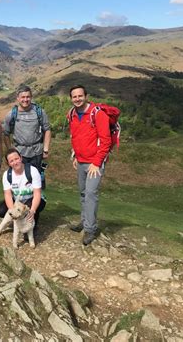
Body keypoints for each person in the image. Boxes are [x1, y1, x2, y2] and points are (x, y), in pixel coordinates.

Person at [67, 85, 112, 245]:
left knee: (91, 194)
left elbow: (106, 141)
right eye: (74, 96)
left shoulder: (97, 114)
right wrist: (75, 155)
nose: (77, 99)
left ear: (86, 96)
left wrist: (96, 163)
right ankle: (84, 222)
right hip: (80, 161)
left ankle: (90, 230)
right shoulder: (71, 114)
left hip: (94, 163)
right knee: (83, 193)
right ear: (71, 98)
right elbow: (75, 137)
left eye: (80, 96)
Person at [0, 148, 46, 240]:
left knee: (29, 209)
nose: (15, 162)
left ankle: (33, 223)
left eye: (16, 159)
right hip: (18, 201)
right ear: (8, 163)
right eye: (11, 161)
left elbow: (37, 193)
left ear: (21, 158)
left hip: (34, 199)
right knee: (1, 211)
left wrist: (33, 210)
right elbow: (7, 194)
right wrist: (12, 211)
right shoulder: (7, 175)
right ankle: (19, 220)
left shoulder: (32, 171)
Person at [3, 85, 51, 175]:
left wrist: (45, 150)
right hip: (19, 153)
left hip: (37, 153)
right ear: (18, 98)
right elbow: (6, 133)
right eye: (23, 97)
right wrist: (10, 151)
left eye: (28, 97)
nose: (25, 100)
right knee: (20, 179)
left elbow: (47, 130)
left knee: (36, 180)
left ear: (31, 97)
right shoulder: (11, 114)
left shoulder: (39, 112)